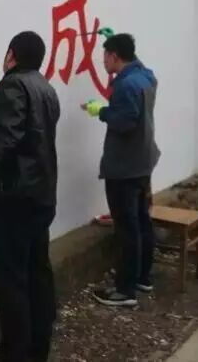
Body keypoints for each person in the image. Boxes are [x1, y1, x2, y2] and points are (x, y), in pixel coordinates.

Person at [0, 31, 61, 362]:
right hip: (42, 196)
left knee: (10, 280)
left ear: (11, 55)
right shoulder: (45, 88)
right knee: (37, 273)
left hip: (15, 199)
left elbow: (6, 141)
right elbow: (33, 129)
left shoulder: (13, 86)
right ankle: (37, 349)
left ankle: (14, 354)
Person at [81, 33, 159, 309]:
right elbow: (141, 73)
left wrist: (100, 111)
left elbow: (125, 122)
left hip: (125, 167)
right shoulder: (145, 77)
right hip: (143, 162)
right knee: (142, 220)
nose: (103, 61)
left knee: (127, 228)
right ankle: (142, 278)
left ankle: (125, 290)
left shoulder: (125, 85)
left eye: (105, 55)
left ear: (114, 56)